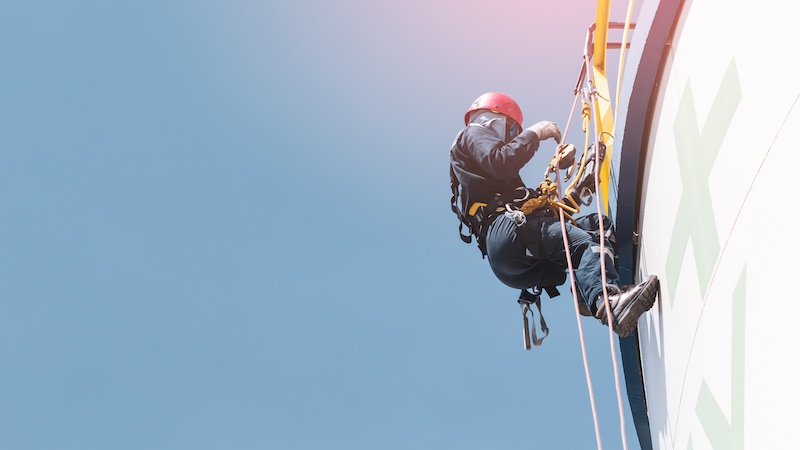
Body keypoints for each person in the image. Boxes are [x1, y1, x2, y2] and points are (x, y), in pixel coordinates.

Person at [449, 92, 658, 337]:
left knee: (597, 227)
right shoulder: (473, 133)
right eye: (512, 133)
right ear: (494, 119)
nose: (511, 140)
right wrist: (536, 133)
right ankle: (609, 304)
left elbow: (546, 215)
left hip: (510, 248)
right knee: (579, 243)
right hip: (507, 232)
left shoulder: (490, 183)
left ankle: (587, 292)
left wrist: (580, 189)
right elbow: (502, 161)